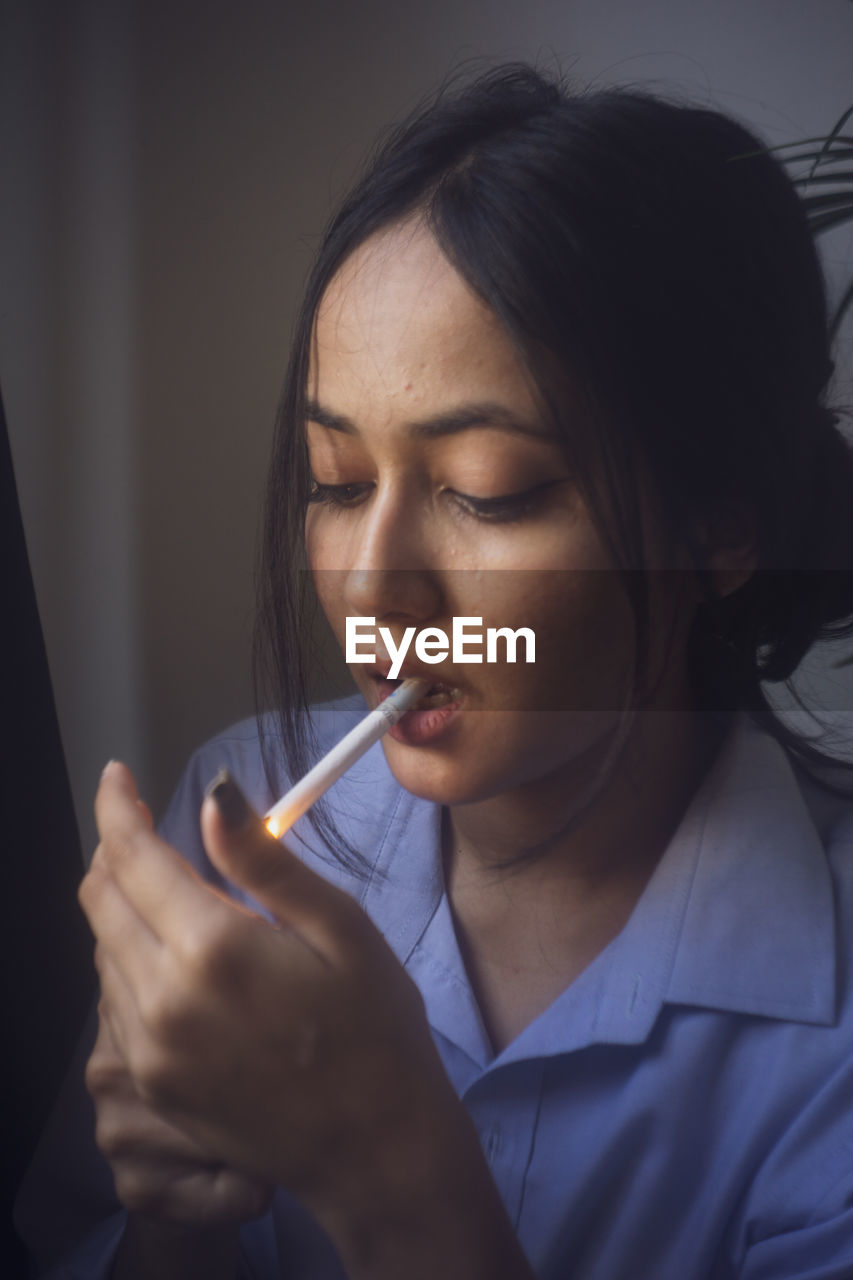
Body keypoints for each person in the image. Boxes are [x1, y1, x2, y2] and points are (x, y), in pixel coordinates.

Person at [15, 63, 853, 1280]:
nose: (368, 589)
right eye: (337, 483)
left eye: (487, 494)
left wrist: (387, 1167)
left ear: (720, 525)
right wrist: (174, 1219)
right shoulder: (242, 803)